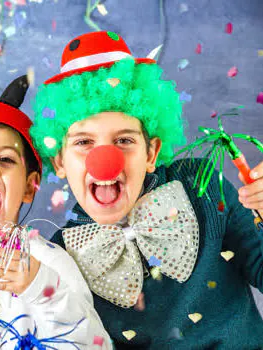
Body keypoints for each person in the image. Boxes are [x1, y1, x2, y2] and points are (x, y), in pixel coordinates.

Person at [30, 31, 263, 348]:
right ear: (59, 161)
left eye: (124, 140)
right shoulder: (60, 257)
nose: (105, 161)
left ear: (151, 152)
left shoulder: (203, 186)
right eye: (84, 143)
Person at [0, 75, 111, 349]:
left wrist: (40, 286)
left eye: (5, 159)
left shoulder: (48, 261)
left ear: (29, 186)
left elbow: (97, 344)